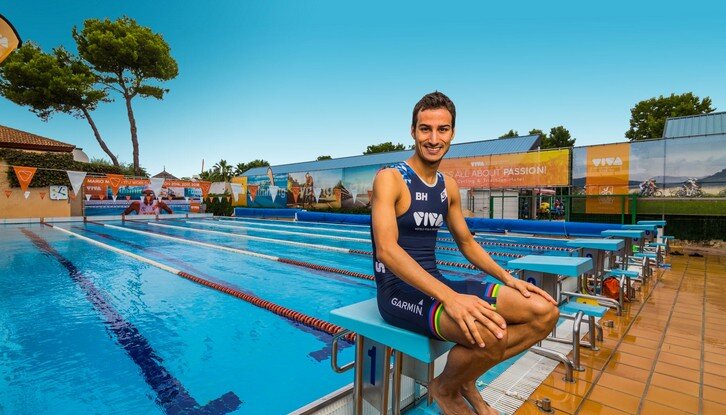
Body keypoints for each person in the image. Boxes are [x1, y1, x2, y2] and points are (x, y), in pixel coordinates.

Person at [371, 92, 559, 415]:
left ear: (453, 133)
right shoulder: (390, 180)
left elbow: (467, 243)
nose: (433, 138)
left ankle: (461, 379)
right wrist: (451, 298)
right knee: (493, 334)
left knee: (545, 312)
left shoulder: (448, 186)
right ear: (412, 131)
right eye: (425, 129)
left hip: (437, 285)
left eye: (442, 129)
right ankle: (445, 390)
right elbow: (387, 250)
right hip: (398, 292)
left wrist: (508, 279)